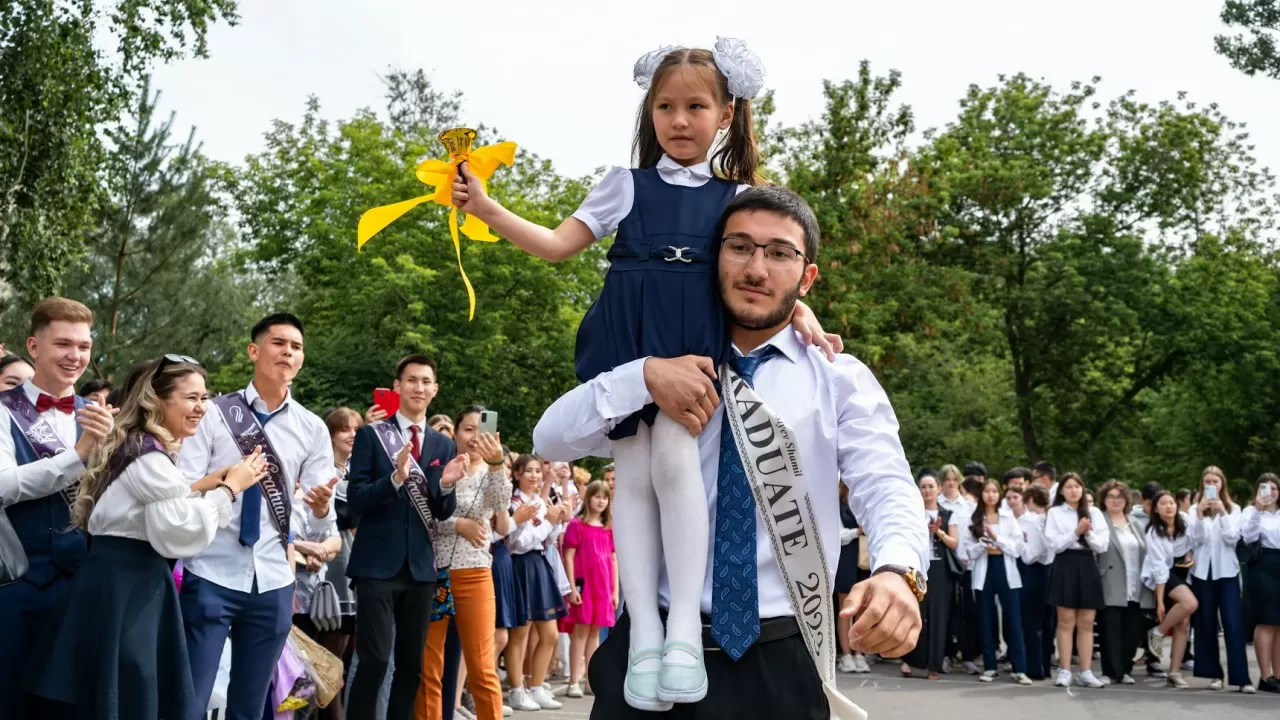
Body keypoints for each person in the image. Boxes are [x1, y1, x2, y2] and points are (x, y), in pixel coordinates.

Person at [452, 39, 842, 709]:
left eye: (696, 106)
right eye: (665, 106)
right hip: (630, 339)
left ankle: (685, 625)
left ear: (726, 115)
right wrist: (486, 208)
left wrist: (800, 310)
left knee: (675, 462)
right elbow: (556, 245)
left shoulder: (739, 196)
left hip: (694, 341)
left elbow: (761, 265)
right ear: (649, 111)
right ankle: (646, 636)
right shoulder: (623, 185)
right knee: (629, 475)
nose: (679, 120)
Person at [534, 186, 929, 718]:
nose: (757, 269)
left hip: (782, 657)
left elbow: (885, 483)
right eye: (739, 246)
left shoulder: (839, 379)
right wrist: (643, 376)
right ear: (711, 257)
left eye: (780, 253)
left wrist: (898, 570)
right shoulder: (663, 365)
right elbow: (550, 439)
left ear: (806, 275)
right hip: (652, 653)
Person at [24, 355, 267, 717]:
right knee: (128, 694)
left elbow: (151, 507)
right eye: (191, 398)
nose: (202, 407)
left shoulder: (142, 448)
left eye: (205, 397)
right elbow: (177, 532)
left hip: (118, 584)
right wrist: (230, 489)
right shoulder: (148, 456)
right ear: (157, 400)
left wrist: (204, 484)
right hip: (128, 588)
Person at [176, 313, 339, 720]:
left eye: (296, 347)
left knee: (251, 706)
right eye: (279, 342)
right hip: (211, 569)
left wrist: (319, 509)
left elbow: (320, 513)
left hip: (273, 578)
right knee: (191, 700)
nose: (288, 352)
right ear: (254, 350)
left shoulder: (312, 428)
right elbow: (186, 483)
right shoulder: (213, 413)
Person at [0, 298, 115, 718]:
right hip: (16, 584)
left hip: (87, 586)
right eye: (63, 344)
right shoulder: (3, 410)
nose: (75, 356)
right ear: (33, 346)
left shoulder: (99, 415)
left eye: (83, 346)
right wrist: (78, 454)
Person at [346, 354, 466, 719]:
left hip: (419, 568)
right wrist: (395, 479)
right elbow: (357, 499)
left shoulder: (442, 445)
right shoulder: (371, 436)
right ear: (397, 387)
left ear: (435, 389)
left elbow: (443, 511)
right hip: (376, 565)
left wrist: (446, 485)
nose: (419, 387)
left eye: (426, 381)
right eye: (412, 380)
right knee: (376, 660)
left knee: (412, 666)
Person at [416, 406, 511, 720]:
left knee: (482, 667)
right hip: (435, 573)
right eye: (467, 429)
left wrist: (497, 462)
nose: (473, 437)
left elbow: (501, 507)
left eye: (479, 430)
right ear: (455, 432)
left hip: (474, 574)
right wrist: (457, 524)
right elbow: (424, 516)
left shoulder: (491, 472)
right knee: (429, 667)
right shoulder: (438, 467)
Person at [503, 455, 568, 711]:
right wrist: (549, 522)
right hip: (521, 565)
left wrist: (555, 521)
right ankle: (517, 690)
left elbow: (546, 540)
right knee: (519, 633)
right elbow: (518, 542)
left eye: (537, 471)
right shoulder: (513, 503)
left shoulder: (540, 502)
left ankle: (537, 687)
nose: (533, 475)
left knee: (550, 634)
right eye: (528, 471)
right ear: (517, 474)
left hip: (540, 564)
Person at [1187, 466, 1253, 692]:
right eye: (1207, 481)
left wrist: (1223, 513)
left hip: (1227, 573)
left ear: (1222, 483)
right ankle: (1214, 674)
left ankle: (1242, 678)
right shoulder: (1194, 508)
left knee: (1233, 623)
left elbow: (1233, 538)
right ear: (1202, 484)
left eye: (1215, 481)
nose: (1211, 485)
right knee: (1205, 624)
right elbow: (1195, 540)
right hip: (1202, 573)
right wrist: (1199, 515)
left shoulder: (1234, 509)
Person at [960, 478, 1032, 685]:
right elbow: (969, 551)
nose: (990, 495)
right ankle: (990, 666)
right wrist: (984, 544)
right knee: (986, 619)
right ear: (981, 494)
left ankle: (1020, 669)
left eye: (994, 491)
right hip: (985, 570)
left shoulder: (1008, 517)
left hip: (1005, 569)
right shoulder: (976, 519)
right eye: (987, 491)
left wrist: (996, 538)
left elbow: (1017, 547)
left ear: (998, 494)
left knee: (1013, 619)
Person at [1044, 472, 1109, 688]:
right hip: (1065, 564)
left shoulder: (1095, 513)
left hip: (1087, 563)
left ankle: (1086, 671)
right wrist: (1075, 532)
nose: (1073, 490)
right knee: (1066, 621)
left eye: (1077, 486)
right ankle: (1064, 670)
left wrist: (1087, 533)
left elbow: (1102, 545)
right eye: (1069, 487)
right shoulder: (1054, 513)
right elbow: (1054, 544)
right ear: (1061, 490)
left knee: (1087, 622)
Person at [900, 472, 958, 680]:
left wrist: (938, 532)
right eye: (923, 486)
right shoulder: (912, 513)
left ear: (939, 489)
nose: (927, 491)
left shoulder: (948, 514)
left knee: (938, 617)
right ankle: (908, 659)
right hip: (917, 568)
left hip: (940, 570)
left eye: (931, 486)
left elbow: (954, 543)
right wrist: (923, 531)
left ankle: (934, 664)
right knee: (915, 613)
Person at [564, 480, 619, 697]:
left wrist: (615, 591)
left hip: (602, 587)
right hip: (584, 585)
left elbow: (613, 559)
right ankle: (573, 681)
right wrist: (571, 587)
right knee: (580, 632)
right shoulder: (577, 525)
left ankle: (590, 679)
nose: (601, 501)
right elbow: (568, 555)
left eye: (604, 498)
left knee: (595, 633)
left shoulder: (608, 528)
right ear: (589, 499)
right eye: (597, 496)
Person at [1096, 480, 1152, 685]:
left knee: (1131, 631)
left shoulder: (1136, 523)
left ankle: (1125, 669)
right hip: (1110, 581)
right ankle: (1110, 671)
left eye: (1119, 496)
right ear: (1104, 500)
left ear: (1126, 500)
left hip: (1135, 583)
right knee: (1110, 630)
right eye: (1110, 496)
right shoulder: (1100, 521)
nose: (1115, 500)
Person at [1143, 490, 1199, 689]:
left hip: (1185, 572)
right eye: (1163, 503)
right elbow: (1158, 568)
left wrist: (1191, 552)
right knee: (1190, 603)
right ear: (1156, 509)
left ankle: (1174, 672)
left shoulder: (1185, 520)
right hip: (1165, 575)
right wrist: (1159, 600)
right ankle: (1158, 632)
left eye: (1171, 502)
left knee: (1183, 624)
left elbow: (1196, 539)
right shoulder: (1153, 532)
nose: (1169, 506)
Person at [1241, 473, 1280, 693]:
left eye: (1274, 488)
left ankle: (1278, 674)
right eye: (1265, 488)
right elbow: (1247, 537)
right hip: (1262, 565)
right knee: (1266, 621)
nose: (1271, 492)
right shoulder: (1250, 512)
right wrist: (1258, 509)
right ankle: (1266, 676)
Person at [1017, 485, 1053, 680]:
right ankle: (1046, 665)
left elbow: (1031, 555)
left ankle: (1035, 667)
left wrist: (1020, 542)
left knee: (1031, 622)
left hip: (1035, 571)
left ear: (1030, 499)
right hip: (1051, 571)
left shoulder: (1033, 521)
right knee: (1048, 622)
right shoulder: (1051, 519)